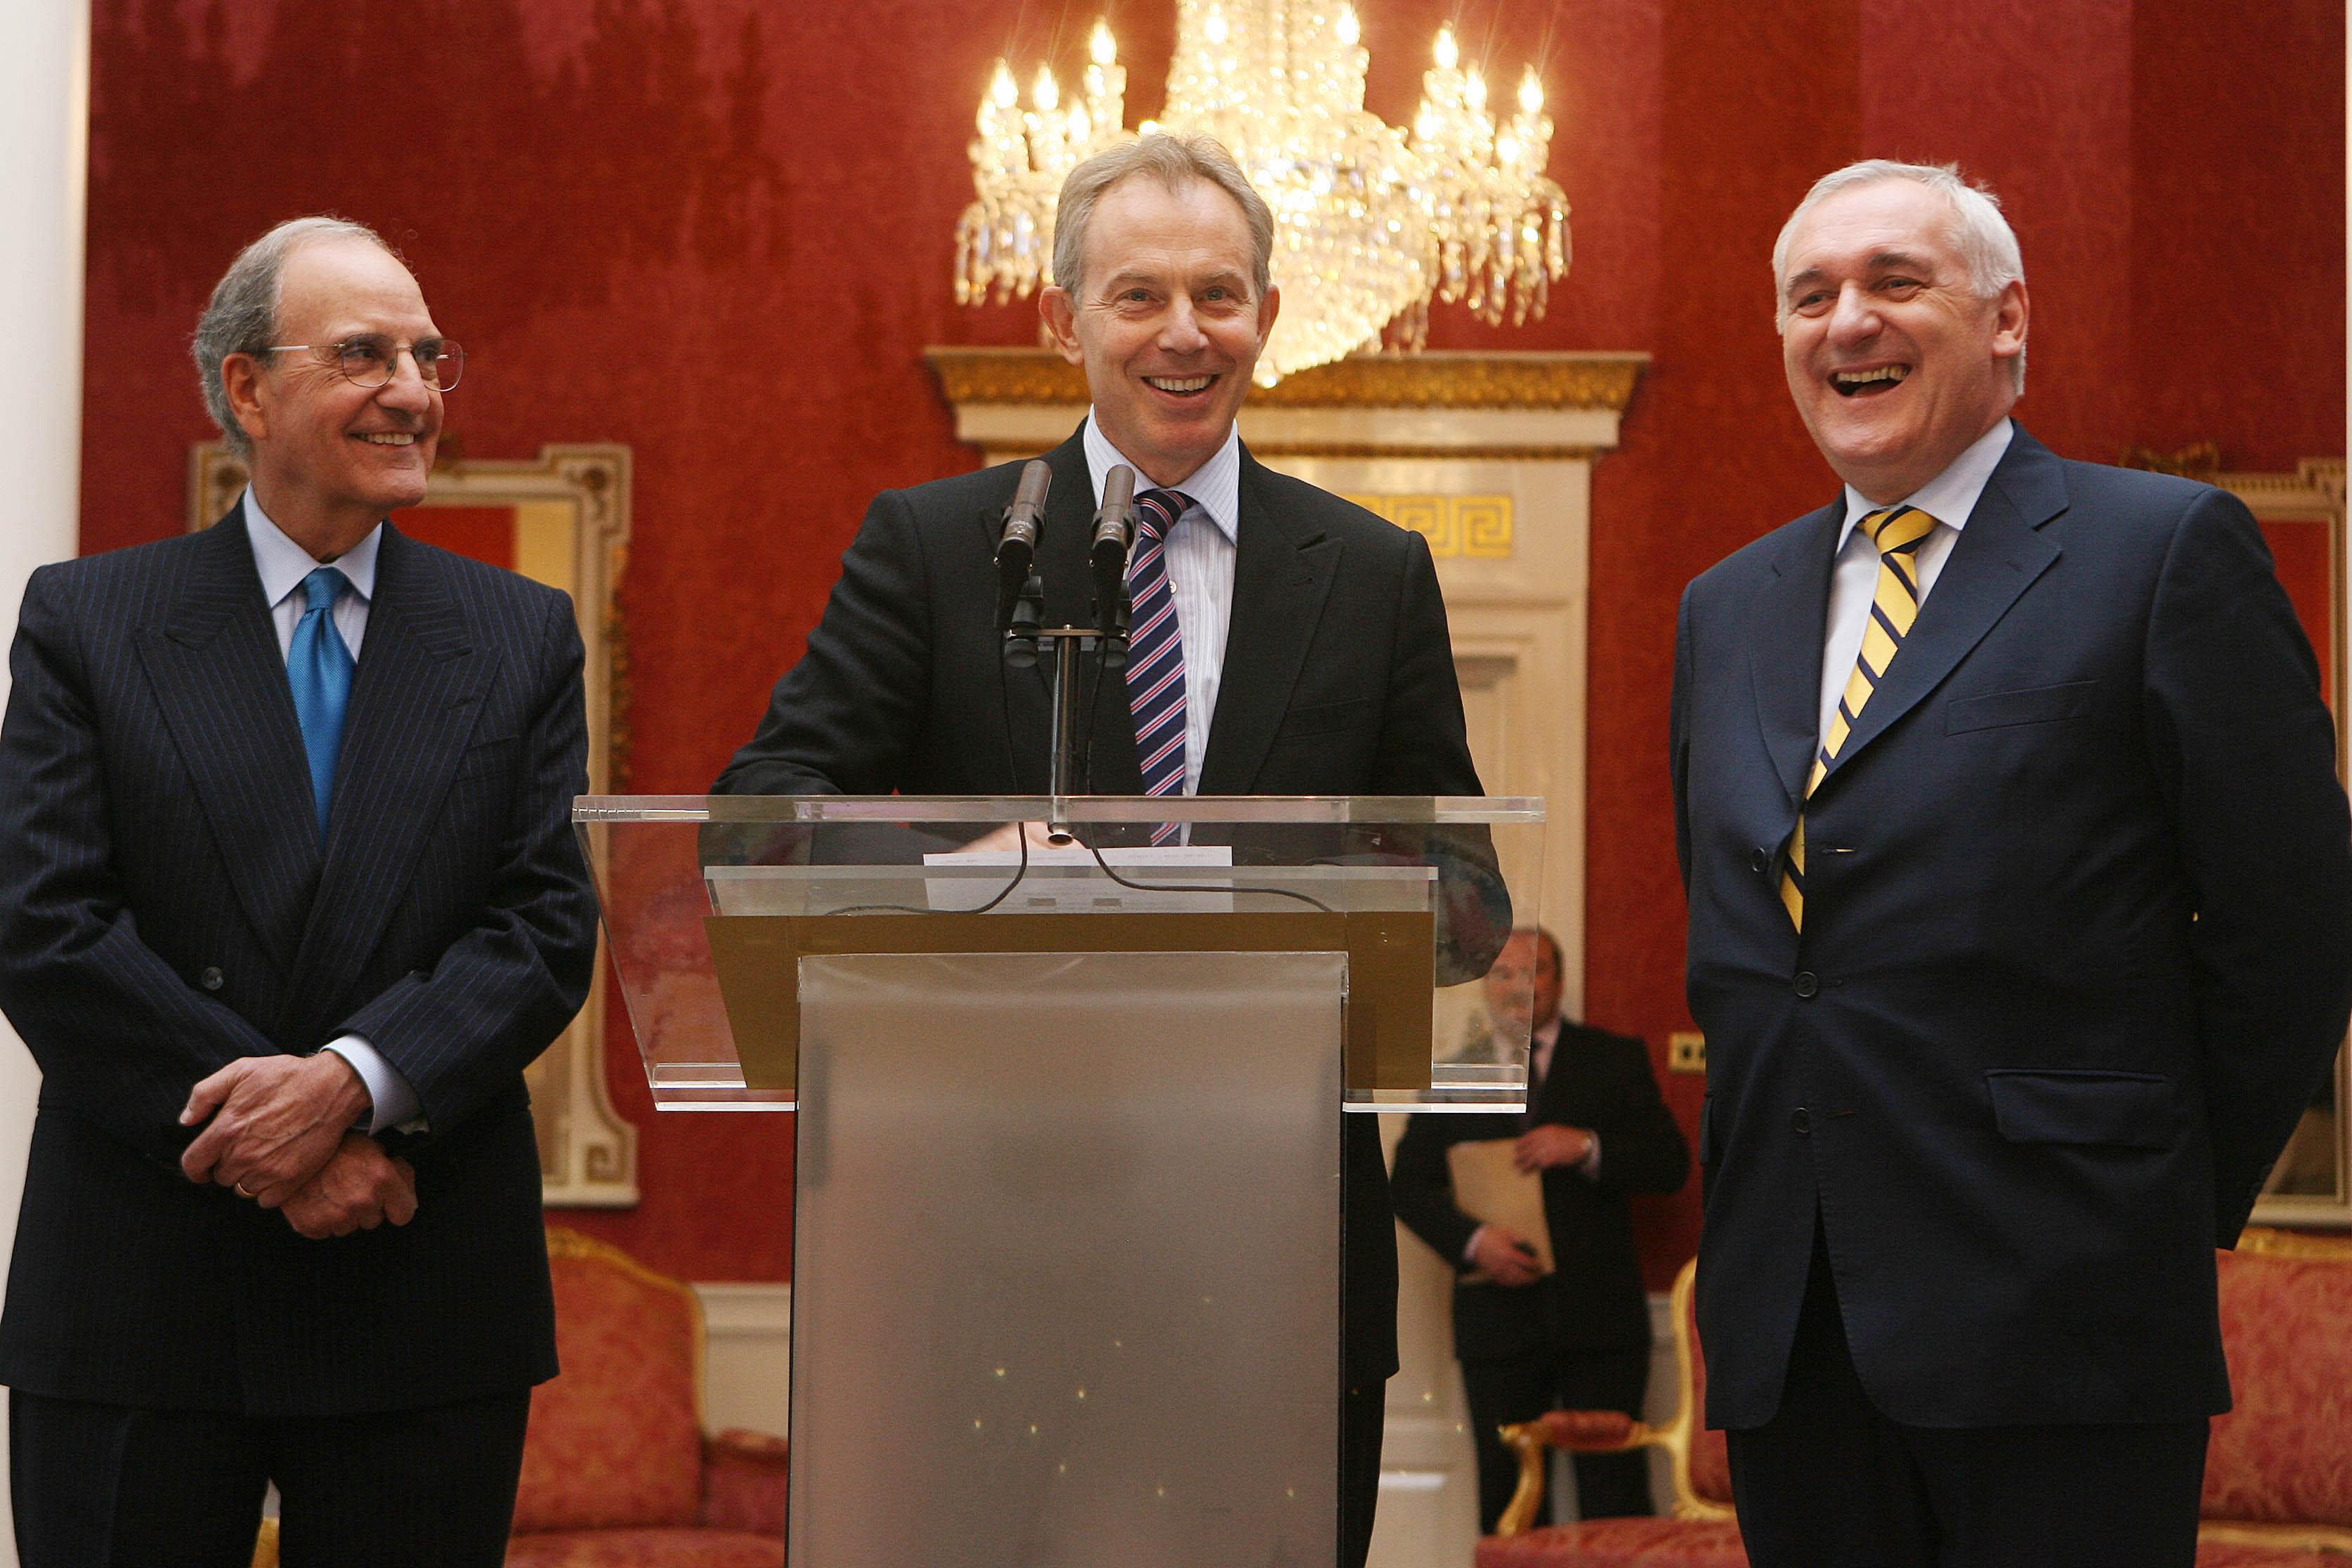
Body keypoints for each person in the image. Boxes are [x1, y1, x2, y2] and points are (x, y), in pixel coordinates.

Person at [715, 131, 1486, 1567]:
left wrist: (1299, 910)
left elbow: (1466, 893)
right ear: (1063, 315)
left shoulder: (1375, 573)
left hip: (1278, 1268)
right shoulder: (943, 546)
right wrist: (973, 875)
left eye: (1220, 293)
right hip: (978, 1259)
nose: (1184, 333)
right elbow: (763, 822)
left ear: (1268, 313)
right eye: (1139, 296)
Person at [1669, 159, 2352, 1567]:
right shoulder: (1725, 607)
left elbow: (2295, 928)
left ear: (2007, 321)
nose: (1846, 320)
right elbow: (1760, 952)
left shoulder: (2159, 552)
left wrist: (2141, 1192)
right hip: (1790, 1332)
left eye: (1894, 282)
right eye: (1811, 296)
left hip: (2065, 1314)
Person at [0, 217, 599, 1566]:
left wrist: (348, 1085)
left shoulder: (515, 634)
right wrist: (288, 1144)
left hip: (417, 1279)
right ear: (246, 389)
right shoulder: (90, 620)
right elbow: (44, 925)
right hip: (143, 1284)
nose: (413, 388)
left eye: (428, 356)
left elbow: (544, 922)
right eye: (363, 353)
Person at [1392, 927, 1687, 1532]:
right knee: (1508, 1506)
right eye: (1501, 973)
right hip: (1498, 1325)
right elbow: (1407, 1187)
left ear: (1560, 979)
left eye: (1534, 971)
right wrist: (1476, 1243)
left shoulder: (1612, 1059)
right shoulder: (1453, 1076)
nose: (1516, 987)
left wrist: (1586, 1146)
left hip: (1601, 1323)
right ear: (1484, 987)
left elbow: (1670, 1165)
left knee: (1616, 1501)